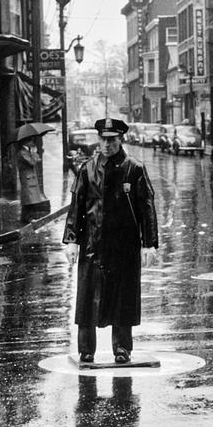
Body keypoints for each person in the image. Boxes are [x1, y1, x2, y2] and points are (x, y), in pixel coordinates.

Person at [63, 117, 159, 364]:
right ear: (99, 140)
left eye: (112, 140)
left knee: (123, 298)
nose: (107, 145)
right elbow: (77, 206)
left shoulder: (134, 169)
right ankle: (86, 349)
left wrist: (149, 244)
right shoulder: (88, 168)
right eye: (103, 140)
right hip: (93, 244)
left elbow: (146, 208)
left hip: (124, 246)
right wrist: (72, 240)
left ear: (120, 140)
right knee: (87, 299)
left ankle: (122, 348)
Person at [15, 132, 51, 223]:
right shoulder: (22, 152)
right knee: (28, 199)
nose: (32, 142)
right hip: (27, 179)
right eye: (30, 140)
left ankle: (26, 217)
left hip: (31, 178)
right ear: (26, 142)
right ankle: (27, 217)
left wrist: (33, 153)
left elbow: (38, 159)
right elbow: (32, 162)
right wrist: (33, 153)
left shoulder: (27, 151)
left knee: (31, 199)